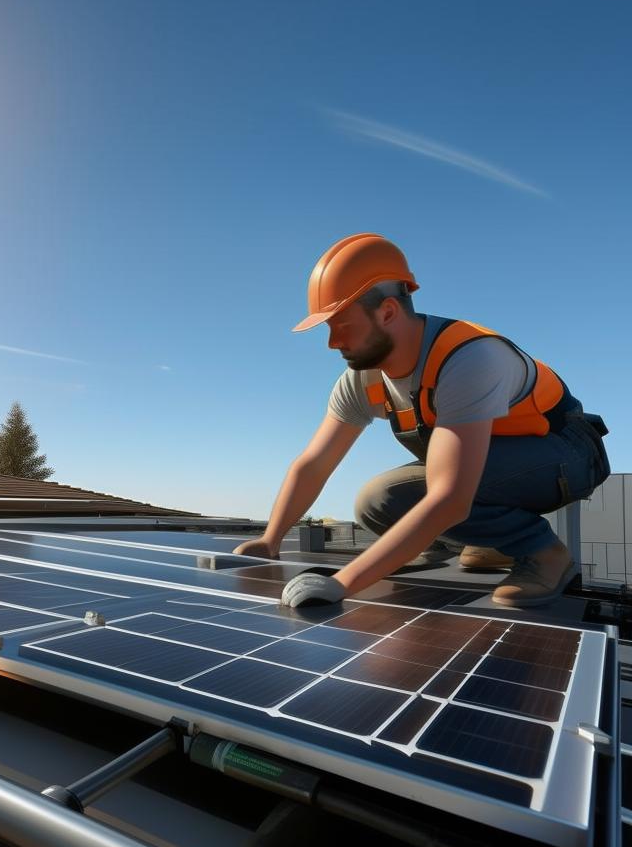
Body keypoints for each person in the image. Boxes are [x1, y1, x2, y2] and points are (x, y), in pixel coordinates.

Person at [235, 233, 610, 610]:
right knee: (377, 501)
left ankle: (544, 553)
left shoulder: (469, 358)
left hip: (567, 454)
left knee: (445, 489)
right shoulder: (363, 378)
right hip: (497, 466)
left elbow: (449, 498)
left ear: (387, 312)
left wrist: (343, 583)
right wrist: (271, 540)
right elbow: (314, 464)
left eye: (342, 325)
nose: (332, 342)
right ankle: (487, 544)